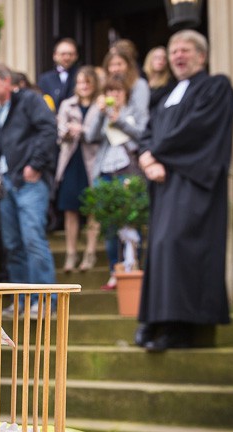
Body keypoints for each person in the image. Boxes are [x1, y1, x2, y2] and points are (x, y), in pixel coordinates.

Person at [136, 30, 233, 351]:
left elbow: (197, 130)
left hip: (194, 183)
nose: (178, 55)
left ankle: (181, 327)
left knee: (179, 244)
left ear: (202, 56)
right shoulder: (167, 95)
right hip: (164, 185)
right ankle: (155, 320)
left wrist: (156, 154)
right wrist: (146, 158)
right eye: (173, 51)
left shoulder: (216, 87)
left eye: (185, 50)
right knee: (160, 248)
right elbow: (148, 132)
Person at [0, 60, 58, 314]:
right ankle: (22, 301)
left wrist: (35, 164)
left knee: (33, 239)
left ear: (6, 80)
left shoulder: (29, 100)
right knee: (13, 245)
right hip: (6, 184)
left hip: (29, 182)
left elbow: (49, 129)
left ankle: (45, 301)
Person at [84, 75, 149, 289]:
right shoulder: (102, 111)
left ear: (126, 93)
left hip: (128, 171)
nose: (114, 95)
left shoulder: (134, 111)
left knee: (131, 223)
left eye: (118, 91)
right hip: (105, 173)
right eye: (110, 91)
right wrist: (101, 114)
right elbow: (90, 136)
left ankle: (134, 269)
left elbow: (142, 135)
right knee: (109, 226)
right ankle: (115, 270)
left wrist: (119, 120)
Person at [55, 66, 100, 273]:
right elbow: (59, 131)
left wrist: (82, 130)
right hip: (71, 161)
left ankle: (90, 252)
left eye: (87, 82)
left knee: (92, 208)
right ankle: (71, 253)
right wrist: (67, 131)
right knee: (70, 209)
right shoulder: (67, 104)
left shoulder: (100, 105)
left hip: (93, 161)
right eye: (80, 82)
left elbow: (102, 133)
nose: (84, 86)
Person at [102, 47, 150, 115]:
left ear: (128, 65)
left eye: (119, 64)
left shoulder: (140, 84)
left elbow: (141, 113)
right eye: (111, 65)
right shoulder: (104, 85)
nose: (115, 69)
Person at [38, 38, 80, 113]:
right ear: (55, 56)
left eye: (71, 54)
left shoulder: (81, 76)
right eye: (63, 54)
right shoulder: (45, 79)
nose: (67, 57)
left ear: (76, 56)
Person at [143, 46, 176, 113]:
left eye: (164, 58)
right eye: (157, 57)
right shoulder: (142, 79)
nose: (161, 60)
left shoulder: (169, 83)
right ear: (150, 60)